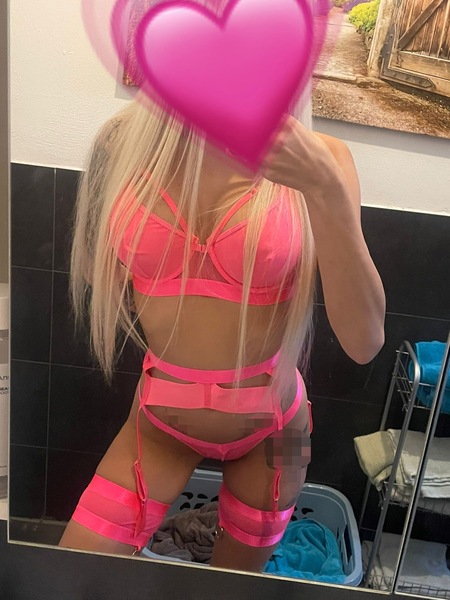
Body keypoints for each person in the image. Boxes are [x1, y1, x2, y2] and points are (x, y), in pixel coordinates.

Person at [58, 82, 385, 571]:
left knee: (234, 591)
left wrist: (325, 190)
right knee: (69, 577)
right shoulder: (120, 141)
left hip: (279, 431)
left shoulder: (324, 160)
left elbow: (365, 343)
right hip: (160, 423)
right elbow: (93, 269)